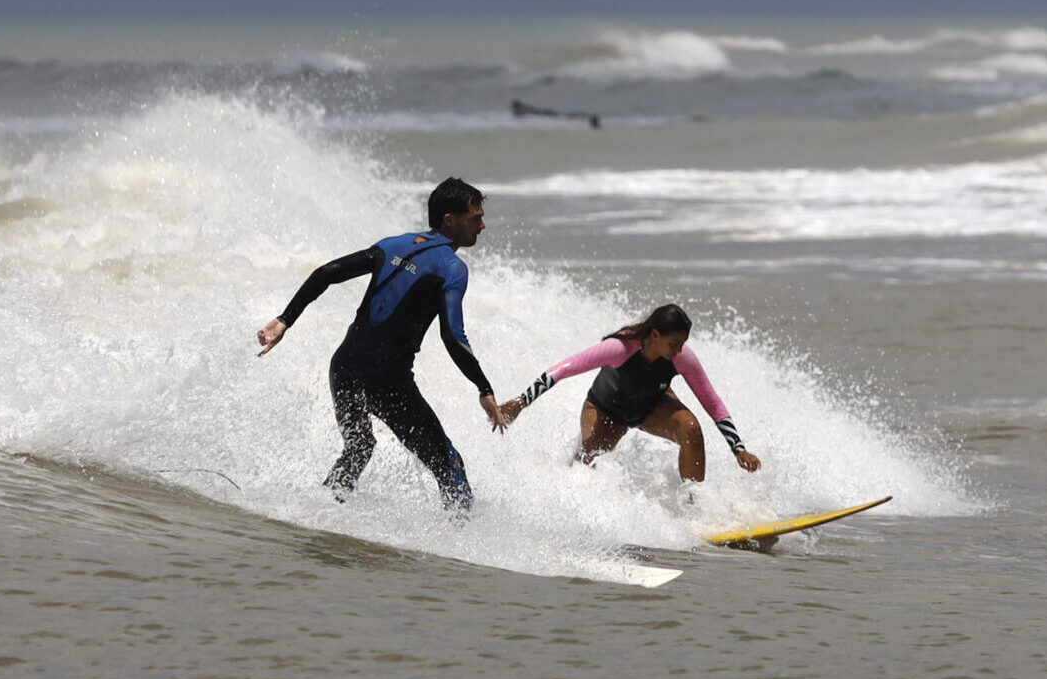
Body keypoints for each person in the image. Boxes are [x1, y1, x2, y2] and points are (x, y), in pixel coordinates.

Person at [257, 177, 507, 511]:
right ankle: (463, 548)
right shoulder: (452, 268)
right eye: (475, 218)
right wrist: (483, 388)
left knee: (358, 447)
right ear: (450, 220)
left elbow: (327, 272)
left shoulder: (393, 244)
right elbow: (453, 336)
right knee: (450, 466)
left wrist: (285, 319)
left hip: (344, 368)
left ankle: (320, 514)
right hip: (388, 384)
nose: (482, 225)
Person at [497, 304, 760, 482]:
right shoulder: (620, 347)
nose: (679, 350)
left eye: (683, 343)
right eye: (674, 343)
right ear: (655, 334)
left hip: (651, 406)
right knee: (588, 456)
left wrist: (739, 449)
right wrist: (522, 401)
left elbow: (712, 402)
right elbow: (562, 370)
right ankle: (561, 490)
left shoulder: (681, 357)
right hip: (606, 409)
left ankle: (695, 507)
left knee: (690, 429)